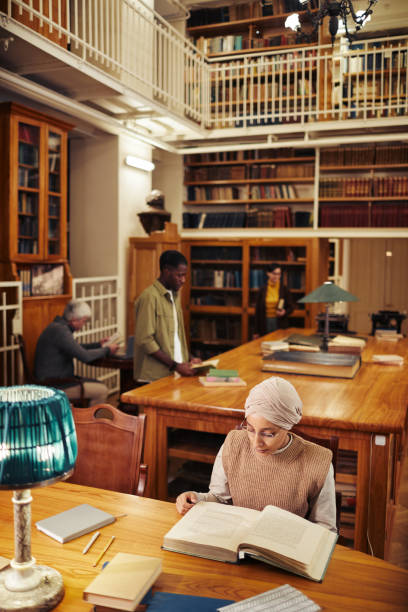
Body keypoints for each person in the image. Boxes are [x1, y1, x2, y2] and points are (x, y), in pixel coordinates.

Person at [176, 376, 337, 532]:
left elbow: (326, 529)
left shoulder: (319, 462)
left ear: (287, 427)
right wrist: (196, 499)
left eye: (268, 434)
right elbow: (219, 499)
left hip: (286, 553)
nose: (256, 443)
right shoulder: (234, 443)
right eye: (251, 430)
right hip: (237, 543)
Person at [34, 300, 119, 406]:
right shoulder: (61, 331)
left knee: (97, 385)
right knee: (102, 390)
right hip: (55, 385)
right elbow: (85, 356)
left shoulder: (57, 327)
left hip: (53, 381)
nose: (84, 324)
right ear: (74, 320)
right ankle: (89, 422)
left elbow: (76, 348)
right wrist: (107, 350)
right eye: (84, 321)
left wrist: (98, 344)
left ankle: (83, 419)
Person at [133, 249, 200, 383]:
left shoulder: (175, 296)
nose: (183, 280)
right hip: (153, 376)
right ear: (166, 271)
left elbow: (175, 337)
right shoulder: (149, 297)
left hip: (173, 373)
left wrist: (189, 358)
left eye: (185, 275)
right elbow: (145, 340)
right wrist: (175, 365)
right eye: (179, 275)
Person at [253, 263, 294, 337]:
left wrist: (284, 312)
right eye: (274, 273)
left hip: (279, 322)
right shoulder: (262, 290)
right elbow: (257, 312)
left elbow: (291, 308)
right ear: (268, 273)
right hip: (265, 322)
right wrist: (256, 331)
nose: (277, 276)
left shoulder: (284, 289)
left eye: (279, 274)